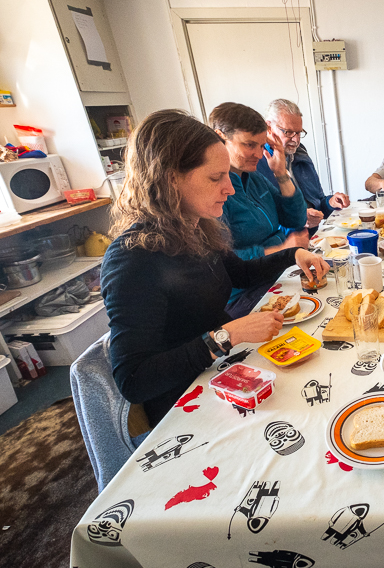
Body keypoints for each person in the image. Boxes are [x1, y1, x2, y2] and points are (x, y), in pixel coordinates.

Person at [102, 109, 329, 430]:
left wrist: (295, 254)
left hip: (224, 374)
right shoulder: (132, 259)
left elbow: (241, 274)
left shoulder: (197, 227)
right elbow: (134, 379)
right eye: (215, 178)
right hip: (186, 403)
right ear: (170, 179)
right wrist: (226, 335)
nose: (230, 188)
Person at [208, 102, 309, 318]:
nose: (258, 153)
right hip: (246, 294)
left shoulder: (254, 178)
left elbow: (296, 218)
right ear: (220, 138)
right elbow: (227, 263)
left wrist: (280, 172)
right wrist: (282, 250)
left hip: (279, 274)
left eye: (262, 145)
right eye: (249, 145)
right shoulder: (215, 193)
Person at [255, 99, 350, 236]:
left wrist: (331, 203)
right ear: (268, 128)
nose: (296, 140)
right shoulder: (257, 162)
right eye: (288, 132)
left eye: (299, 133)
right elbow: (260, 225)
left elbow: (318, 202)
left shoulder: (300, 152)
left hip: (314, 237)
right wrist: (297, 219)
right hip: (285, 246)